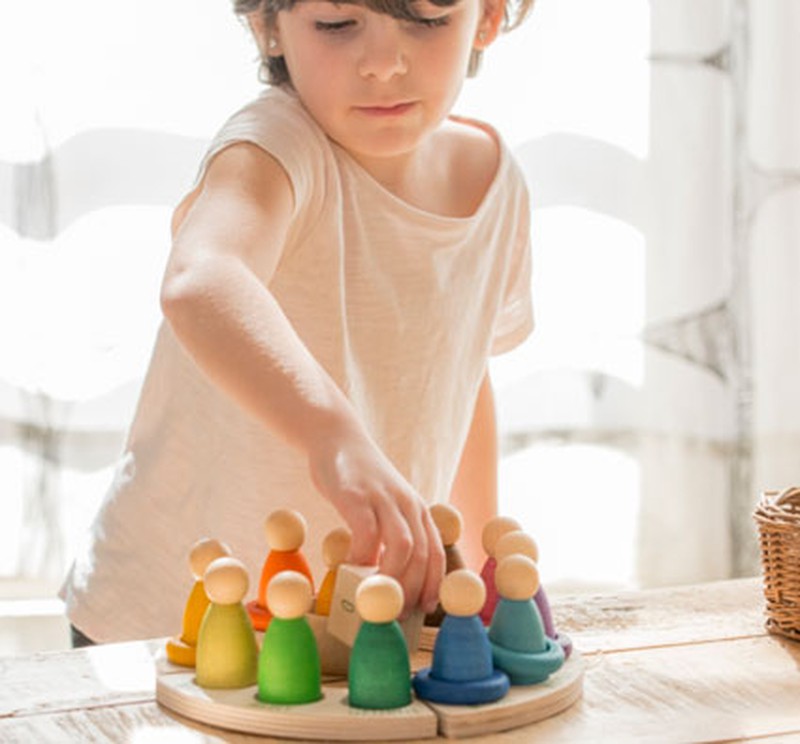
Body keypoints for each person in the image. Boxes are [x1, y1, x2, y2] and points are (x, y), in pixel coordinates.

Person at [60, 0, 536, 644]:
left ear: (487, 17)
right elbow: (202, 279)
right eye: (337, 25)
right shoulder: (274, 148)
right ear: (267, 27)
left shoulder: (494, 182)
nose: (384, 64)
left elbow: (458, 371)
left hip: (351, 623)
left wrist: (481, 572)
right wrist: (335, 438)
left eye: (427, 18)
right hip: (174, 619)